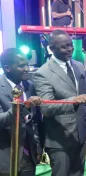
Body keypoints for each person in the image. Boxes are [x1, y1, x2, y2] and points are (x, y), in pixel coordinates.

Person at [33, 30, 86, 176]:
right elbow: (46, 107)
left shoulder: (78, 65)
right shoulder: (43, 73)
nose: (70, 49)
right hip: (59, 140)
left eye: (71, 45)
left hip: (80, 135)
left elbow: (85, 103)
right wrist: (72, 101)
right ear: (52, 49)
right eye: (65, 47)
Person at [0, 48, 44, 176]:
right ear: (7, 68)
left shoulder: (30, 85)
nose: (27, 69)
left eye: (27, 64)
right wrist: (23, 106)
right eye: (21, 66)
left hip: (28, 155)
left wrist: (38, 148)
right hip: (5, 154)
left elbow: (35, 121)